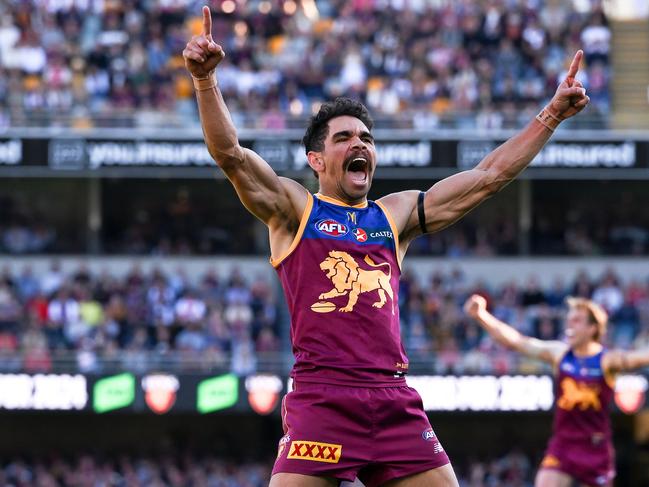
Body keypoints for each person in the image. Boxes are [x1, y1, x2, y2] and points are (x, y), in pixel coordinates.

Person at [183, 6, 589, 486]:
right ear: (316, 158)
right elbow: (230, 154)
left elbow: (488, 178)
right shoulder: (296, 209)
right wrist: (206, 82)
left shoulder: (393, 215)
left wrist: (551, 116)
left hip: (394, 399)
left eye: (367, 137)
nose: (361, 143)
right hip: (324, 400)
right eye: (345, 137)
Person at [464, 294, 649, 487]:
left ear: (592, 328)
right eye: (569, 320)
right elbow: (517, 341)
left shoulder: (607, 360)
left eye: (577, 321)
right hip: (563, 445)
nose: (569, 326)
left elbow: (640, 358)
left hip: (596, 448)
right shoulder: (560, 355)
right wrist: (481, 315)